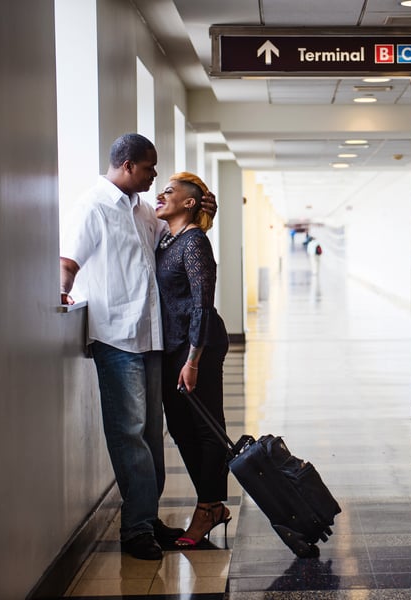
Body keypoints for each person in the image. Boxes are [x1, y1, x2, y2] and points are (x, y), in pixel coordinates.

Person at [59, 133, 213, 560]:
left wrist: (202, 205)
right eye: (150, 168)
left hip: (151, 339)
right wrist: (61, 292)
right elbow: (67, 262)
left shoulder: (143, 209)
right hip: (116, 337)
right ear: (127, 165)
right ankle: (136, 528)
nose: (155, 176)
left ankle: (146, 517)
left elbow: (181, 225)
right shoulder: (92, 207)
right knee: (129, 435)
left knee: (148, 433)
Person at [154, 172, 231, 546]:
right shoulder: (168, 239)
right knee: (182, 429)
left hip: (198, 346)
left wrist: (194, 359)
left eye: (168, 191)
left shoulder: (195, 243)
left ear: (187, 202)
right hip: (174, 347)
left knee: (205, 427)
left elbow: (202, 302)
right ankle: (211, 503)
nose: (159, 194)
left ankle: (209, 506)